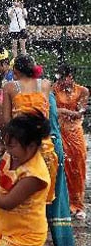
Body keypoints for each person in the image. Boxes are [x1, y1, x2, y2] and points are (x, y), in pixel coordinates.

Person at [0, 111, 51, 246]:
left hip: (27, 236)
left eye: (12, 146)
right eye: (6, 144)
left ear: (31, 145)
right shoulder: (12, 155)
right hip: (9, 228)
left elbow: (7, 203)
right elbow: (2, 172)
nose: (7, 150)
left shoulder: (33, 175)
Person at [3, 54, 57, 205]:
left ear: (16, 71)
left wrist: (4, 143)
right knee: (40, 199)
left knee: (20, 199)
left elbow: (7, 121)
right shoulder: (46, 84)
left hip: (21, 147)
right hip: (44, 147)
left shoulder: (9, 87)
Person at [53, 64, 89, 221]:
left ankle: (78, 205)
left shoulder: (82, 91)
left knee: (78, 167)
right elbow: (53, 110)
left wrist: (73, 113)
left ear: (71, 77)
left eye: (63, 78)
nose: (61, 81)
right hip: (60, 131)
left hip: (75, 133)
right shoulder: (54, 89)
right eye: (59, 78)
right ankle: (63, 204)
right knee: (60, 166)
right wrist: (68, 112)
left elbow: (81, 112)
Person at [47, 92, 76, 245]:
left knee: (55, 194)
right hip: (52, 144)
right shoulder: (48, 91)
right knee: (56, 195)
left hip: (46, 146)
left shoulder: (15, 89)